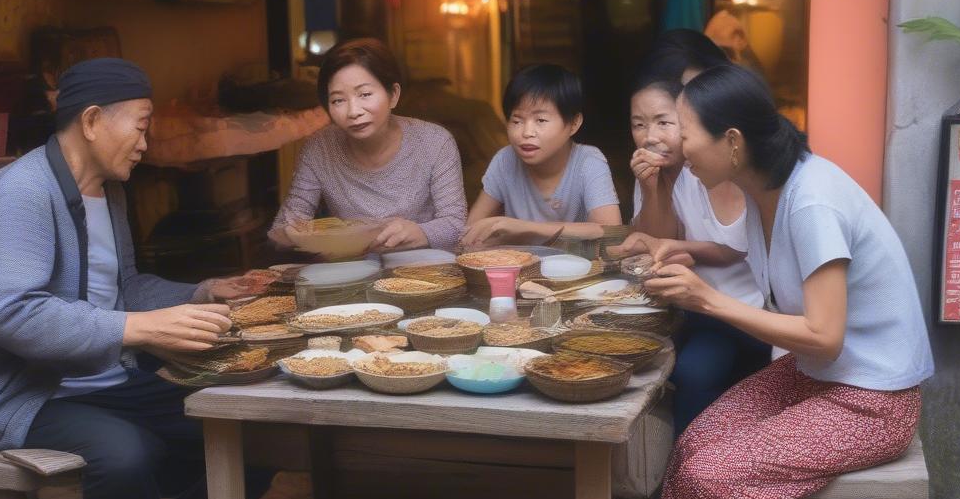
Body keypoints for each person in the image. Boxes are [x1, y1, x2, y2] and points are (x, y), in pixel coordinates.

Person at [634, 65, 932, 499]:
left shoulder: (812, 199)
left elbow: (824, 334)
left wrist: (705, 300)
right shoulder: (764, 187)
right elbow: (754, 262)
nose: (674, 144)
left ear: (732, 142)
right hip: (816, 375)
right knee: (692, 444)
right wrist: (686, 254)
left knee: (712, 475)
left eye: (684, 131)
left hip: (872, 399)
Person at [0, 58, 260, 499]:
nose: (146, 143)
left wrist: (201, 292)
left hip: (100, 377)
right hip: (23, 393)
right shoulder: (20, 194)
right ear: (92, 121)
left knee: (243, 423)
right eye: (140, 125)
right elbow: (13, 314)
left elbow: (121, 291)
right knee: (125, 454)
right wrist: (136, 328)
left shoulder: (107, 192)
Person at [610, 76, 769, 434]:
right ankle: (689, 455)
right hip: (699, 312)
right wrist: (653, 189)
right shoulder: (652, 173)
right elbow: (657, 242)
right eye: (639, 124)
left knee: (703, 374)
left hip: (752, 309)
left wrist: (681, 249)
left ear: (688, 123)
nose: (650, 136)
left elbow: (736, 249)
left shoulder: (714, 167)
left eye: (664, 122)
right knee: (689, 372)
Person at [269, 38, 467, 253]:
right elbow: (285, 227)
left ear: (393, 95)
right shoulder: (320, 148)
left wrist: (421, 232)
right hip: (351, 266)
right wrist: (296, 234)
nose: (353, 111)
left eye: (364, 94)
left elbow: (455, 224)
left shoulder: (434, 142)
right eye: (338, 100)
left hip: (424, 266)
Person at [461, 64, 621, 248]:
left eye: (541, 120)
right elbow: (471, 230)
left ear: (574, 123)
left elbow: (611, 232)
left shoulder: (588, 162)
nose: (527, 132)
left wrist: (524, 228)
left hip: (577, 265)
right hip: (518, 264)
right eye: (517, 121)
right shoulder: (505, 160)